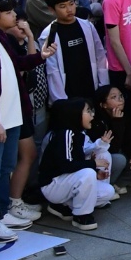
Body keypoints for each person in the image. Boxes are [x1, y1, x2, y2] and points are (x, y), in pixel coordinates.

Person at [35, 98, 116, 232]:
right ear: (75, 114)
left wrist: (96, 171)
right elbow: (66, 165)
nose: (92, 115)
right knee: (88, 172)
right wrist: (93, 164)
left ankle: (64, 206)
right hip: (52, 184)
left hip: (66, 182)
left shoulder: (78, 134)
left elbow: (76, 163)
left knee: (108, 191)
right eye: (88, 111)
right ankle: (81, 216)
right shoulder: (66, 133)